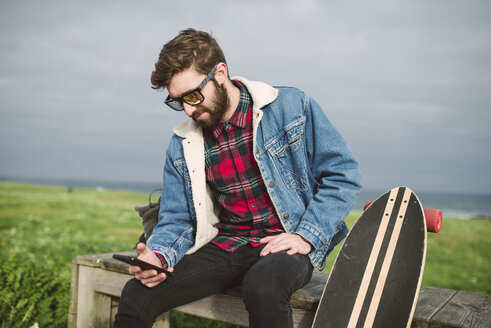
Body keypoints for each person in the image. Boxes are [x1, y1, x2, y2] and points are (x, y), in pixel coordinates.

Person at [114, 28, 362, 328]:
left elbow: (342, 175)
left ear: (220, 72)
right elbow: (177, 218)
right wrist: (159, 256)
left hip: (284, 241)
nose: (189, 109)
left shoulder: (291, 106)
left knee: (263, 285)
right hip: (226, 244)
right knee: (137, 292)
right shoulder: (181, 144)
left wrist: (306, 236)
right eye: (179, 101)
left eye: (193, 95)